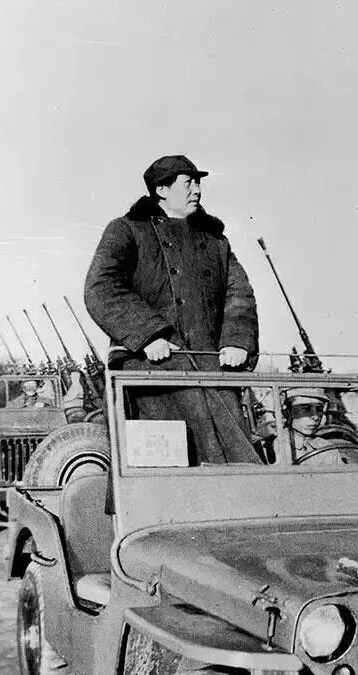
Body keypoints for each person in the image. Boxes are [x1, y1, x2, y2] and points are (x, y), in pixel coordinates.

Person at [84, 154, 260, 465]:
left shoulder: (215, 240)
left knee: (236, 466)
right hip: (152, 375)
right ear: (162, 190)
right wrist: (149, 335)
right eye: (188, 183)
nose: (197, 191)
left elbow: (239, 294)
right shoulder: (126, 230)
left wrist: (236, 341)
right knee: (166, 468)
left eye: (198, 183)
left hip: (212, 371)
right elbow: (101, 287)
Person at [284, 388, 348, 465]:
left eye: (319, 409)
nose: (316, 416)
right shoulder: (276, 448)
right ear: (288, 412)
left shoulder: (327, 448)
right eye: (306, 409)